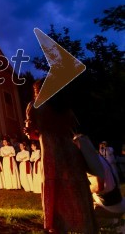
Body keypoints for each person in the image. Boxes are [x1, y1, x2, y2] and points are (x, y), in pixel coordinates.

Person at [24, 79, 97, 233]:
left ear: (39, 90)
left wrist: (29, 131)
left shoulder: (35, 106)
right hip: (71, 154)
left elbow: (32, 133)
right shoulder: (65, 108)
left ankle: (56, 226)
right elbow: (69, 129)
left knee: (56, 190)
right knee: (75, 190)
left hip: (52, 153)